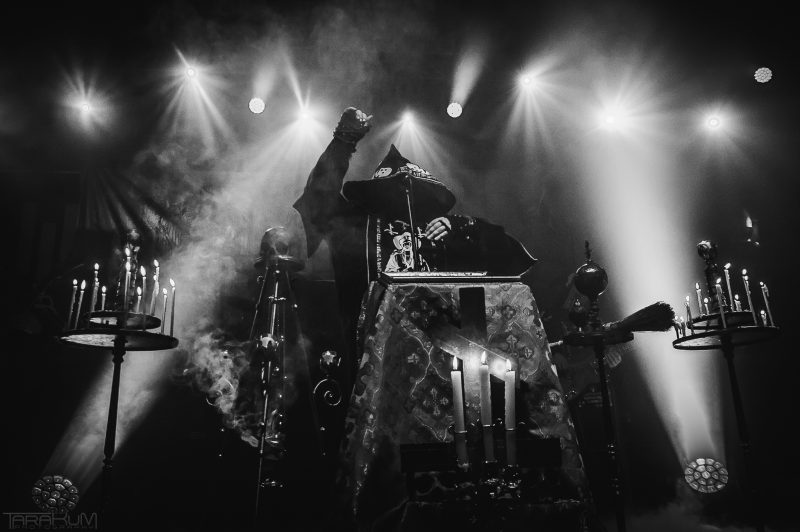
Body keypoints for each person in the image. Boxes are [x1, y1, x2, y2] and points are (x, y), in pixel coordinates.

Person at [292, 107, 536, 384]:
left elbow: (511, 254)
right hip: (374, 357)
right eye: (391, 188)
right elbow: (318, 198)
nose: (401, 194)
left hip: (440, 365)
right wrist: (344, 141)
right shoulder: (356, 224)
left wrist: (462, 226)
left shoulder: (443, 231)